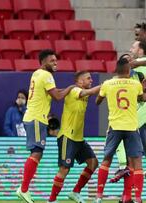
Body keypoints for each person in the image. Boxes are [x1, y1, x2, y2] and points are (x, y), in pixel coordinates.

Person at [16, 49, 75, 203]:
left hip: (33, 117)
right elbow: (57, 96)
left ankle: (24, 189)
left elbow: (53, 92)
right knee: (36, 153)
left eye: (56, 60)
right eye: (52, 61)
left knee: (37, 153)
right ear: (43, 62)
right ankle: (23, 189)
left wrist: (67, 90)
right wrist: (71, 88)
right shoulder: (47, 75)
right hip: (36, 118)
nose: (55, 63)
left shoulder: (37, 73)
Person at [94, 57, 146, 203]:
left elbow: (97, 101)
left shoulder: (108, 84)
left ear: (116, 69)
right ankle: (138, 198)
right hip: (131, 127)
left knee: (106, 160)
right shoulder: (135, 84)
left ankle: (99, 196)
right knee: (136, 162)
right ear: (128, 70)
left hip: (115, 127)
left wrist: (105, 95)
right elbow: (141, 99)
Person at [111, 41, 146, 186]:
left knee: (119, 130)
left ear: (140, 51)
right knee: (141, 130)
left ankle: (122, 166)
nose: (131, 49)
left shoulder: (138, 65)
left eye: (133, 47)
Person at [48, 71, 101, 203]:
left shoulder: (83, 91)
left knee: (93, 163)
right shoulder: (74, 91)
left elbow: (96, 95)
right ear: (80, 81)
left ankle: (75, 191)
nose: (91, 81)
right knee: (64, 169)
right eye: (88, 78)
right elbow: (87, 92)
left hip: (78, 138)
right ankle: (51, 200)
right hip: (67, 136)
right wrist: (106, 85)